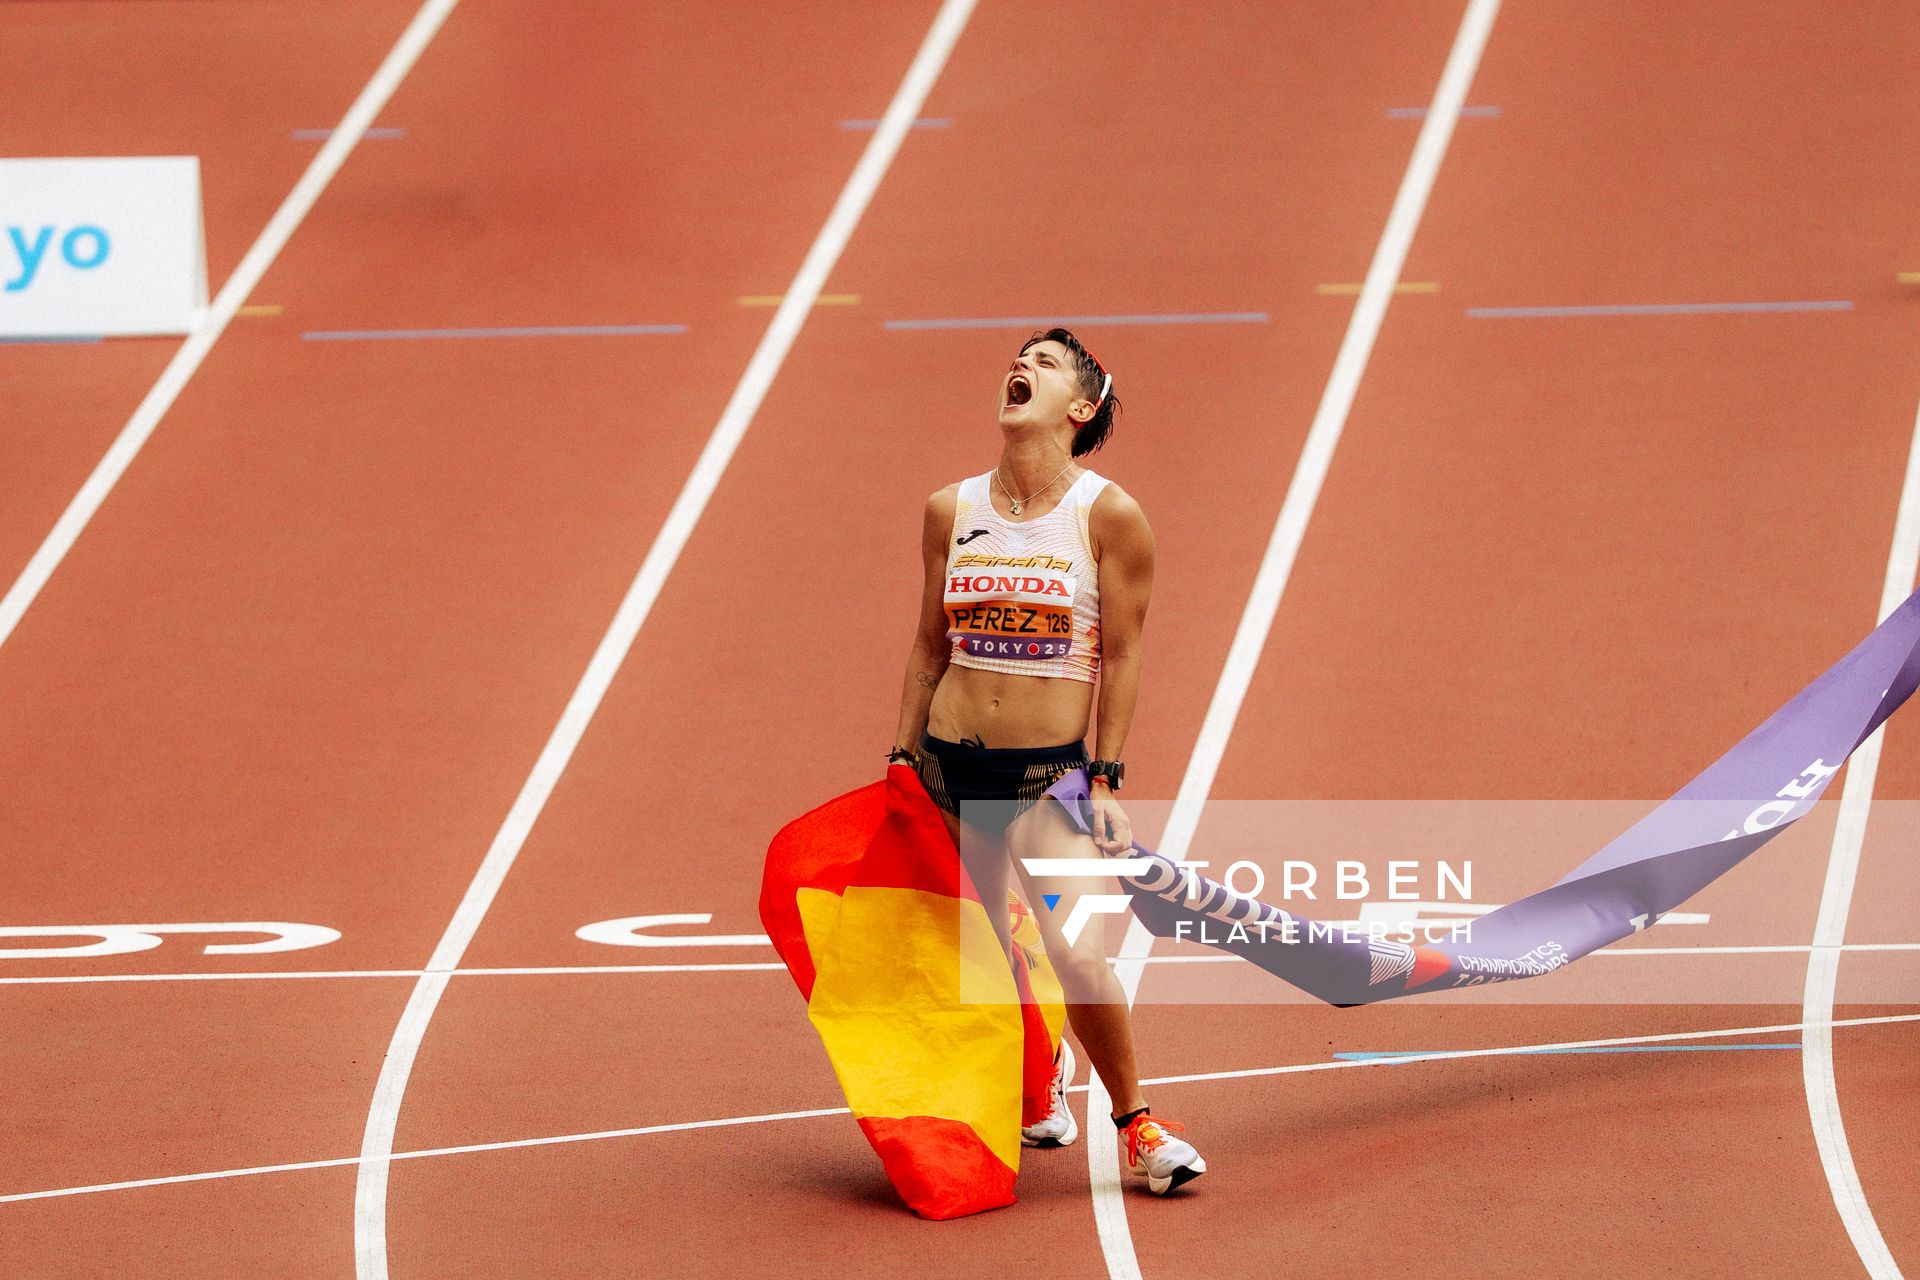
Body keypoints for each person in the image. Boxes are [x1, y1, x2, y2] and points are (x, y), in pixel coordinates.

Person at [887, 327, 1205, 1195]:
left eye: (1046, 362)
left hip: (1045, 778)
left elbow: (1126, 655)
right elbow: (927, 644)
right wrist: (901, 756)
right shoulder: (950, 510)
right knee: (984, 947)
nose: (1019, 366)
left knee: (1074, 951)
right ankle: (1037, 1074)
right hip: (950, 770)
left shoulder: (1107, 515)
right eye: (1018, 356)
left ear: (1080, 407)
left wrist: (1106, 776)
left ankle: (1139, 1126)